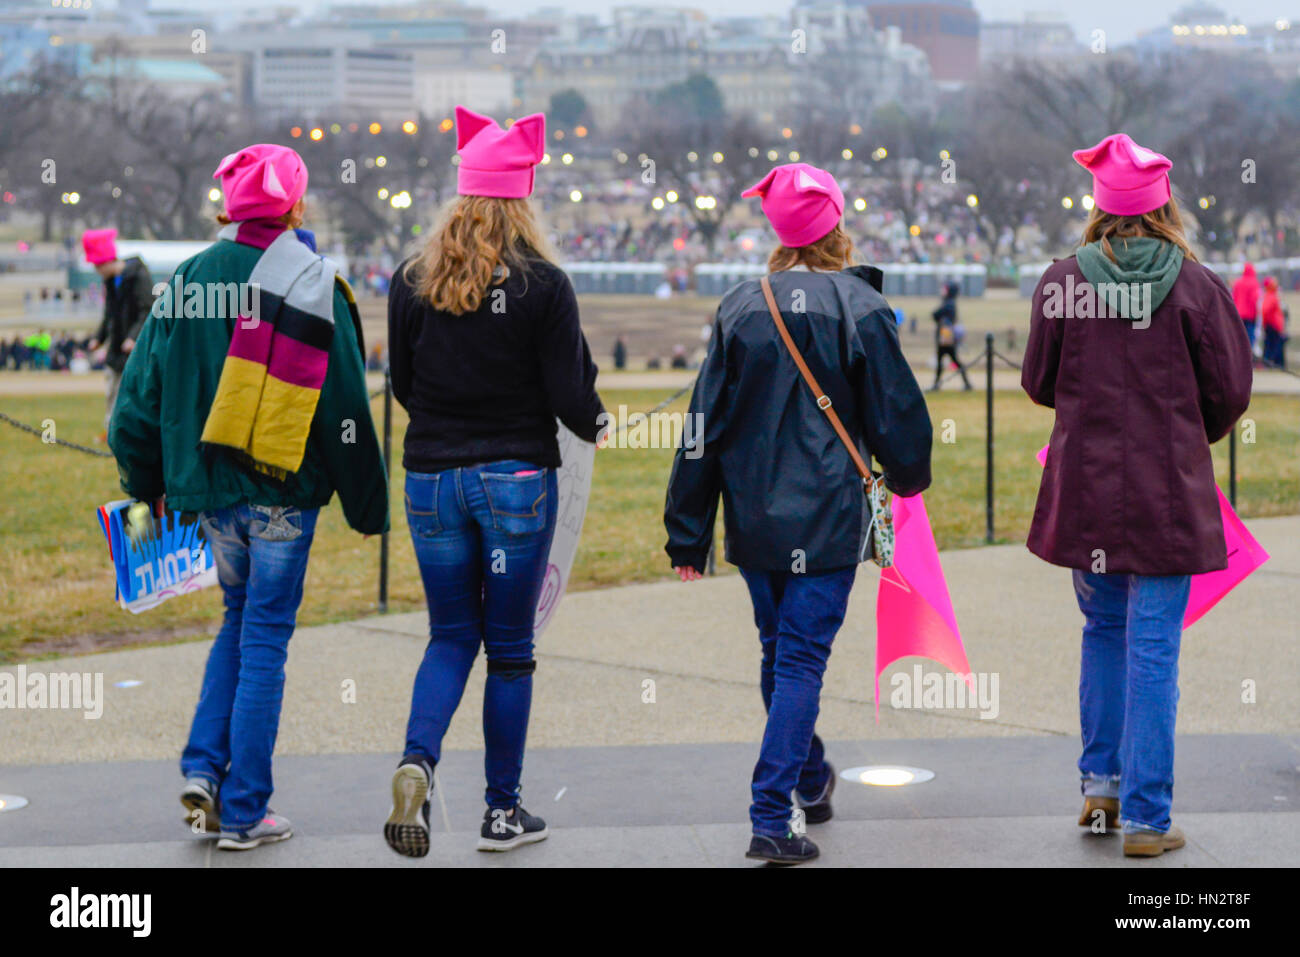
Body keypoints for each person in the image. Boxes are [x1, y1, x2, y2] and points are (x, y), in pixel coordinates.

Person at [109, 143, 389, 851]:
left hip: (208, 498)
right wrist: (367, 504)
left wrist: (147, 490)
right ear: (295, 207)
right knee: (264, 636)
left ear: (226, 208)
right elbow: (345, 409)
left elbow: (132, 410)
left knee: (237, 622)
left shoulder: (190, 278)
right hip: (284, 501)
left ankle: (204, 768)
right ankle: (244, 810)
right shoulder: (317, 283)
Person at [664, 163, 932, 865]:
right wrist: (909, 476)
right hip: (829, 512)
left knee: (780, 654)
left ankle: (809, 779)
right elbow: (899, 413)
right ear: (837, 228)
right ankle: (770, 810)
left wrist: (686, 529)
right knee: (800, 661)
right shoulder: (861, 308)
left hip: (753, 518)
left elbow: (702, 427)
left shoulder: (739, 307)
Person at [1022, 134, 1252, 858]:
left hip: (1087, 492)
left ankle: (1101, 793)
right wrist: (1186, 434)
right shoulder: (1198, 286)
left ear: (1099, 208)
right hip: (1168, 495)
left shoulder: (1063, 281)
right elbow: (1231, 393)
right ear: (1163, 208)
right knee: (1155, 652)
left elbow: (1038, 381)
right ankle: (1150, 819)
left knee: (1102, 636)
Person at [383, 106, 605, 858]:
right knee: (509, 650)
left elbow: (404, 383)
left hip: (432, 479)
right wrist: (596, 406)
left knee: (450, 637)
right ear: (524, 199)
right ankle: (501, 812)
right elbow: (573, 402)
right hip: (515, 477)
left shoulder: (411, 281)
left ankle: (417, 758)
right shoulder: (545, 285)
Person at [82, 228, 155, 439]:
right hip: (117, 347)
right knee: (111, 390)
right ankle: (113, 430)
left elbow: (147, 309)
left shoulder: (138, 277)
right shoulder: (110, 282)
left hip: (135, 347)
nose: (97, 271)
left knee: (128, 393)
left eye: (97, 266)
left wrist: (133, 337)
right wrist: (99, 337)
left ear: (106, 262)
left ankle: (123, 433)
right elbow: (109, 314)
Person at [930, 280, 972, 391]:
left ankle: (937, 385)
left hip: (946, 336)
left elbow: (935, 314)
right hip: (945, 335)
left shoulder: (949, 304)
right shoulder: (949, 303)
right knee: (947, 360)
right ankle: (937, 385)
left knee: (951, 360)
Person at [1231, 261, 1260, 350]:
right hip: (1250, 314)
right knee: (1250, 335)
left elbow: (1233, 298)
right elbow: (1254, 300)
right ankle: (1249, 353)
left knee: (1240, 335)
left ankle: (1240, 352)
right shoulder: (1254, 283)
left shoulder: (1237, 283)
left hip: (1238, 313)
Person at [1260, 276, 1286, 370]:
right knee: (1272, 346)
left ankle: (1270, 363)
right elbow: (1266, 310)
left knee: (1270, 345)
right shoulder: (1272, 296)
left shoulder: (1270, 295)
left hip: (1272, 324)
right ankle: (1270, 363)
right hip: (1273, 325)